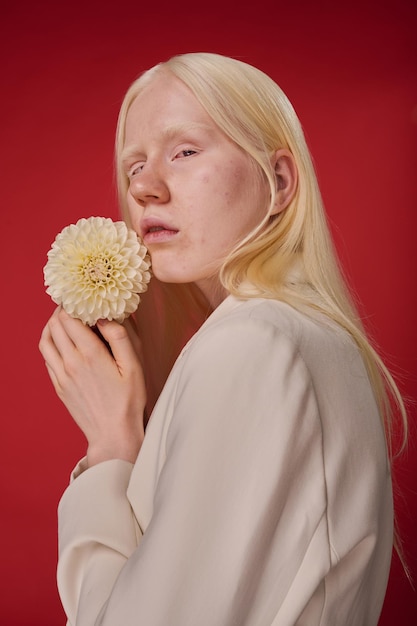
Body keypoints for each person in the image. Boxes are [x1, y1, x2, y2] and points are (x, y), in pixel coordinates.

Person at [39, 52, 407, 625]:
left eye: (184, 151)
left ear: (279, 181)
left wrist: (111, 447)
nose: (145, 189)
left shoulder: (253, 342)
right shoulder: (306, 335)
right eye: (133, 166)